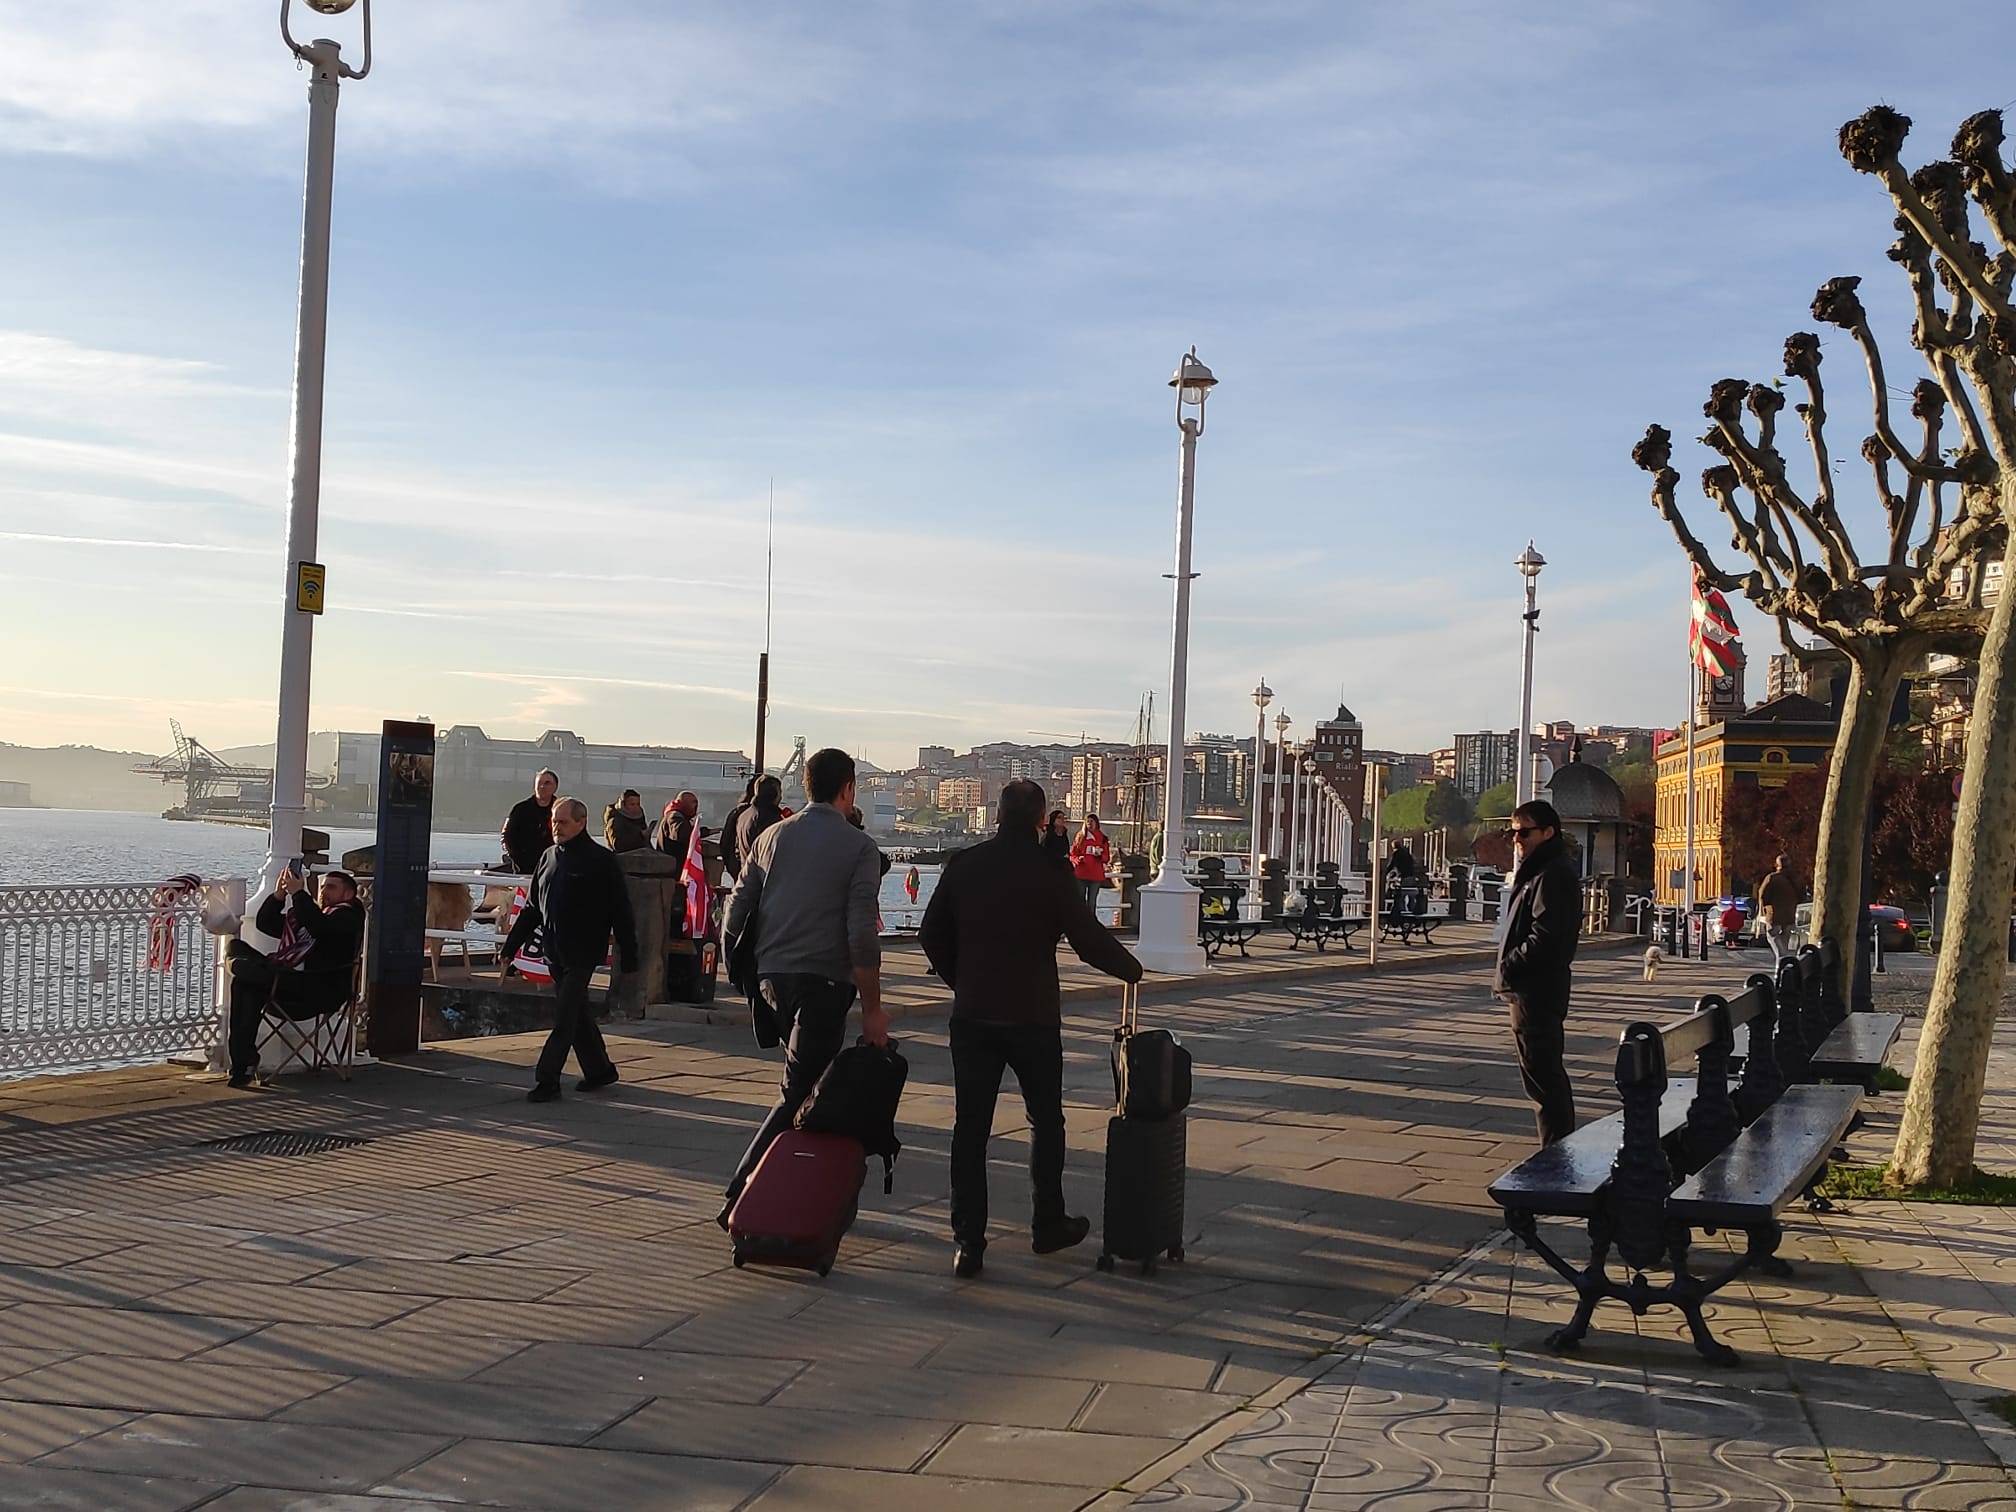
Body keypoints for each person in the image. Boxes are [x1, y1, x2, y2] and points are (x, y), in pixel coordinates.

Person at [922, 779, 1142, 1279]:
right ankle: (1047, 1224)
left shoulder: (965, 864)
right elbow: (1087, 938)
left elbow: (931, 932)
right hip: (1033, 1017)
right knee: (1045, 1121)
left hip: (974, 1015)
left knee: (970, 1130)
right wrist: (1131, 969)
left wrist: (963, 980)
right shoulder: (1052, 871)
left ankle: (968, 1243)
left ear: (998, 817)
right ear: (1043, 821)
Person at [717, 748, 888, 1226]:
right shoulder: (860, 848)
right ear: (848, 789)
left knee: (808, 1086)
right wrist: (873, 1007)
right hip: (823, 983)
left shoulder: (772, 836)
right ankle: (741, 1195)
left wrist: (740, 974)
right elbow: (861, 930)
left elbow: (735, 910)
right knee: (798, 1093)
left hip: (772, 978)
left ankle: (800, 1196)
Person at [502, 797, 640, 1102]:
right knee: (577, 1014)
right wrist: (510, 946)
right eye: (554, 821)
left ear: (581, 823)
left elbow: (621, 912)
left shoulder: (601, 860)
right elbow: (533, 908)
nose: (556, 827)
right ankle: (600, 1070)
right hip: (554, 950)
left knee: (564, 1017)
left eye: (563, 822)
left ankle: (547, 1079)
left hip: (583, 952)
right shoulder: (548, 857)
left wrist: (630, 959)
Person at [223, 867, 364, 1088]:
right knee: (238, 955)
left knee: (246, 979)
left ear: (348, 894)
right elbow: (265, 923)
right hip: (290, 980)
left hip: (317, 990)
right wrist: (279, 894)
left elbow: (320, 929)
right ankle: (244, 1062)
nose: (323, 892)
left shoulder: (348, 918)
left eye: (331, 888)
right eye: (322, 887)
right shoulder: (313, 917)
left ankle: (244, 1064)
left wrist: (299, 893)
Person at [1493, 799, 1583, 1145]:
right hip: (1532, 987)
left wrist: (1511, 965)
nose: (1517, 839)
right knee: (1541, 1076)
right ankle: (1557, 1149)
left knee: (1543, 1079)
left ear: (1547, 833)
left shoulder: (1551, 874)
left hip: (1536, 990)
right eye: (1513, 832)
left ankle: (1555, 1153)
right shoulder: (1540, 870)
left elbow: (1547, 936)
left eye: (1524, 832)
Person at [502, 769, 559, 874]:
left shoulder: (561, 810)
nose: (542, 786)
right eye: (539, 783)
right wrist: (516, 860)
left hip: (553, 866)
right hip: (523, 867)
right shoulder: (520, 809)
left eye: (547, 783)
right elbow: (507, 837)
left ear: (555, 787)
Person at [735, 775, 787, 867]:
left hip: (747, 870)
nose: (781, 796)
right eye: (780, 792)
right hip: (765, 872)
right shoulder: (770, 818)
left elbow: (737, 849)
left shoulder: (743, 816)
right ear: (773, 794)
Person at [1757, 855, 1801, 961]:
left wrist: (1763, 911)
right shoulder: (1796, 879)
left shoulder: (1772, 878)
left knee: (1773, 937)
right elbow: (1802, 895)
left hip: (1774, 915)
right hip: (1790, 915)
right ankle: (1783, 961)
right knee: (1785, 940)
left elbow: (1762, 895)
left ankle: (1782, 960)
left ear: (1776, 865)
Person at [1069, 814, 1116, 911]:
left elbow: (1107, 858)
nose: (1089, 824)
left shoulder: (1103, 839)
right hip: (1081, 874)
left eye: (1092, 821)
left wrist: (1100, 856)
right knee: (1080, 902)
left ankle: (1090, 919)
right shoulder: (1080, 837)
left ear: (1096, 823)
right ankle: (1080, 919)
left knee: (1092, 903)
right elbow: (1072, 855)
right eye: (1088, 821)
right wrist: (1078, 860)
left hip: (1095, 876)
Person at [719, 777, 760, 880]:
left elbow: (725, 842)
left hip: (737, 865)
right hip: (756, 869)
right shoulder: (761, 815)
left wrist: (731, 866)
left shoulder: (737, 812)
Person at [603, 789, 652, 853]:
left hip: (641, 855)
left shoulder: (639, 817)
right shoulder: (615, 820)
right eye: (632, 804)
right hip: (623, 857)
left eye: (638, 804)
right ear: (623, 804)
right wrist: (640, 835)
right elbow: (617, 844)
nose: (636, 807)